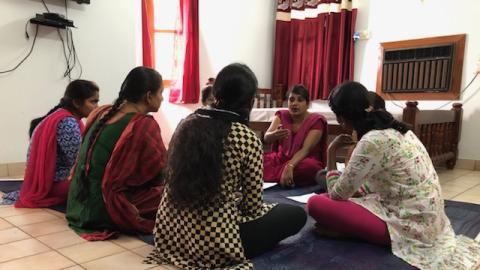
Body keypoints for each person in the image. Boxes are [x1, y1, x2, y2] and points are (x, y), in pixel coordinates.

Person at [145, 63, 306, 269]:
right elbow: (252, 208)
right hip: (214, 243)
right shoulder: (245, 136)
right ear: (249, 101)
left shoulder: (186, 122)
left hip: (171, 232)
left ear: (216, 93)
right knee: (295, 214)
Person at [307, 81, 480, 270]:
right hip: (429, 220)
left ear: (341, 119)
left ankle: (349, 232)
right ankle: (349, 226)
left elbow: (337, 194)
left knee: (317, 203)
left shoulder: (371, 141)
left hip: (409, 226)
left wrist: (332, 151)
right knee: (331, 187)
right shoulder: (401, 130)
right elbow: (373, 185)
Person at [66, 66, 167, 240]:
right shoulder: (143, 124)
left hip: (78, 202)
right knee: (173, 194)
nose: (162, 98)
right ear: (149, 96)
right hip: (106, 209)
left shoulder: (100, 112)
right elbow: (158, 171)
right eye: (160, 92)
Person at [0, 80, 99, 207]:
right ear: (76, 103)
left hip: (48, 181)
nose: (97, 107)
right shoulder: (68, 123)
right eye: (93, 101)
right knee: (102, 187)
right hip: (55, 184)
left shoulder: (62, 117)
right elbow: (80, 161)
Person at [263, 84, 327, 187]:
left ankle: (276, 175)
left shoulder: (316, 121)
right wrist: (274, 135)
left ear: (307, 104)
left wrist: (290, 165)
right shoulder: (281, 115)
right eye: (291, 100)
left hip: (302, 160)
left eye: (300, 100)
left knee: (310, 168)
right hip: (281, 159)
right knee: (257, 160)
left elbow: (306, 149)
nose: (294, 104)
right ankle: (284, 176)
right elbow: (266, 138)